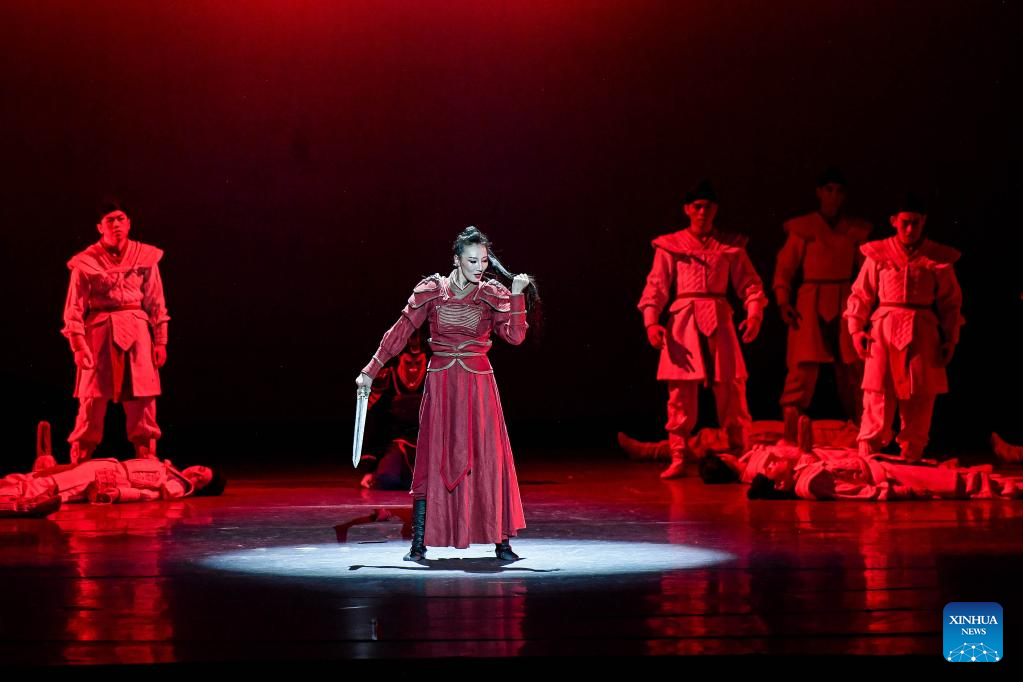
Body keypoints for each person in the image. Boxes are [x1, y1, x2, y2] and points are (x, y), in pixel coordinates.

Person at [356, 227, 536, 561]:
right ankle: (418, 543)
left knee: (487, 456)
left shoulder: (491, 294)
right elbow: (400, 332)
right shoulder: (432, 292)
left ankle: (502, 543)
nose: (479, 267)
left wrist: (516, 296)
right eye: (472, 261)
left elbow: (515, 337)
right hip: (441, 383)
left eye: (484, 261)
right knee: (432, 456)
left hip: (479, 385)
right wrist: (370, 370)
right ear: (456, 259)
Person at [638, 180, 768, 478]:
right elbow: (656, 284)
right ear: (687, 209)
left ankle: (740, 452)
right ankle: (678, 455)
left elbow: (750, 284)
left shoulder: (730, 246)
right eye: (697, 206)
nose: (702, 212)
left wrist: (754, 315)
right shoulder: (671, 245)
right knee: (680, 393)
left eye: (707, 207)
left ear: (715, 209)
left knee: (732, 388)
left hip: (719, 317)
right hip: (684, 320)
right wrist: (651, 321)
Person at [844, 193, 963, 461]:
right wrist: (856, 329)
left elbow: (950, 303)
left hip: (922, 330)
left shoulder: (936, 257)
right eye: (905, 223)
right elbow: (861, 294)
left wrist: (950, 338)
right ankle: (868, 454)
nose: (910, 230)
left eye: (916, 223)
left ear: (924, 222)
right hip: (883, 329)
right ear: (894, 221)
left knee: (920, 394)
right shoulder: (878, 254)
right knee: (877, 392)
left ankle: (912, 453)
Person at [62, 199, 170, 463]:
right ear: (100, 227)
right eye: (110, 220)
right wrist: (78, 345)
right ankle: (81, 453)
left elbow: (156, 300)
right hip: (99, 330)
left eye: (121, 218)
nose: (116, 224)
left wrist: (160, 341)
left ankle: (146, 452)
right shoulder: (86, 262)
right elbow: (74, 306)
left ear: (129, 223)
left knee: (143, 394)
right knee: (91, 396)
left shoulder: (145, 256)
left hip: (137, 329)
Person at [774, 167, 872, 429]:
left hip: (845, 300)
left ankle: (865, 428)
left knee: (853, 367)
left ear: (844, 195)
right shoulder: (804, 229)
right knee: (802, 366)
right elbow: (785, 268)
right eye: (829, 190)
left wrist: (866, 308)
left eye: (839, 191)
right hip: (810, 302)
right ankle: (791, 429)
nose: (833, 196)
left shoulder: (854, 231)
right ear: (819, 192)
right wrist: (783, 301)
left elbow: (867, 273)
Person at [0, 456, 225, 516]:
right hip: (105, 468)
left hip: (107, 476)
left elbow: (148, 494)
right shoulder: (169, 469)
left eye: (200, 480)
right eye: (200, 469)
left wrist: (119, 494)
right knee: (40, 477)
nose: (195, 473)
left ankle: (12, 501)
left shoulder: (178, 484)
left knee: (47, 484)